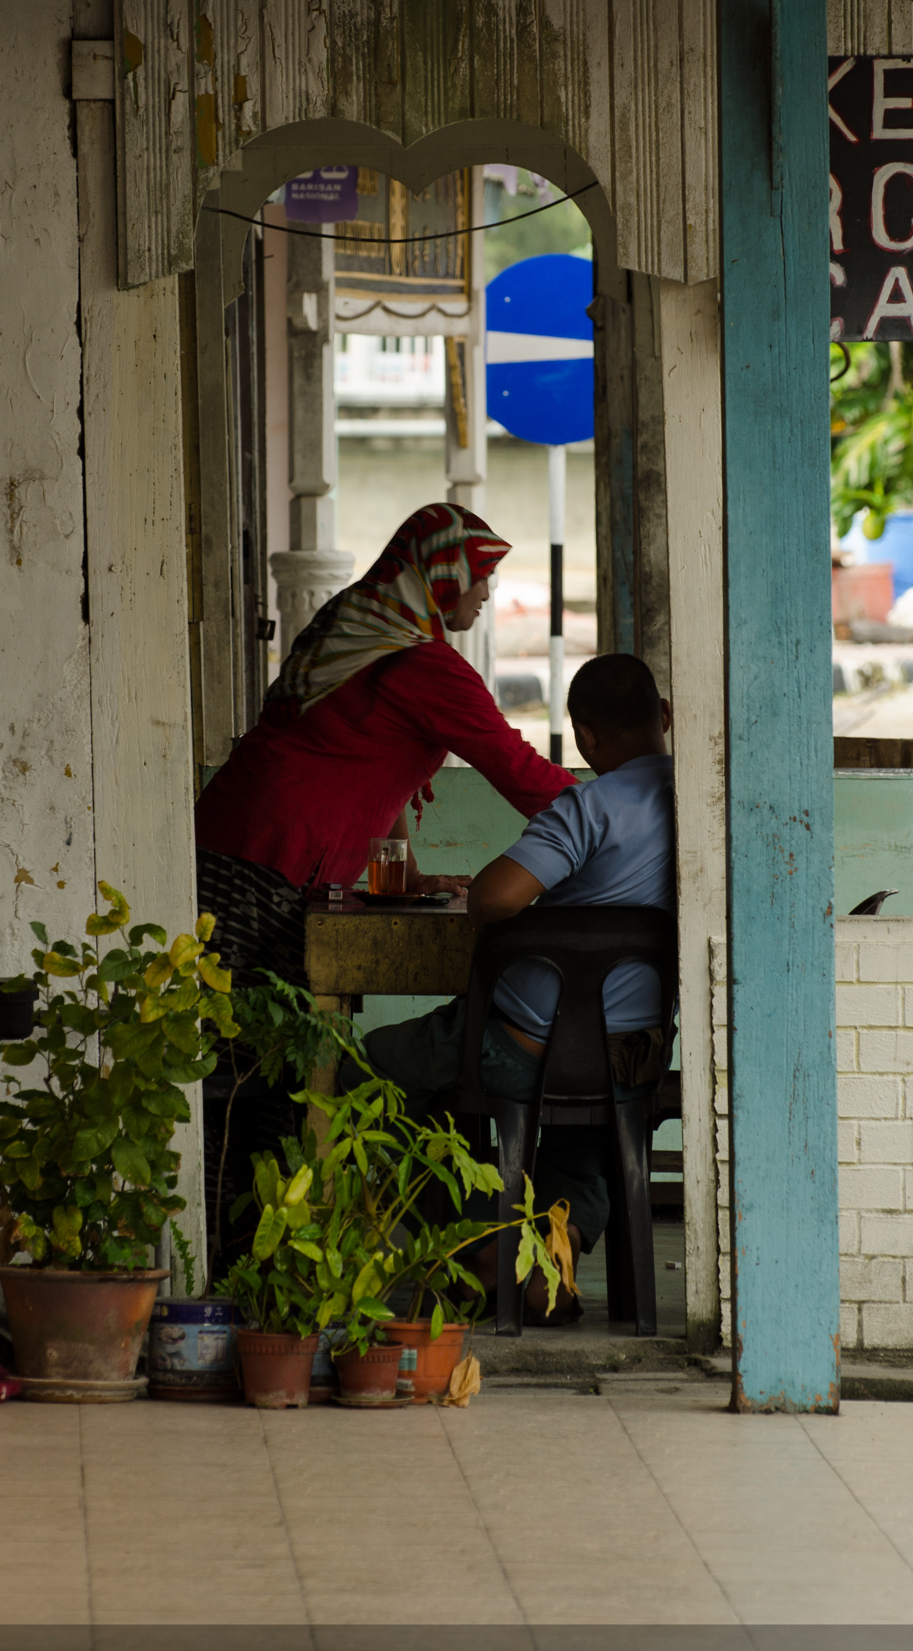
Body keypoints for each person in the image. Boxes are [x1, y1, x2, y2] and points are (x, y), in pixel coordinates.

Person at [351, 651, 674, 1318]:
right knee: (585, 1151)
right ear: (665, 718)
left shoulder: (591, 807)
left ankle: (481, 1250)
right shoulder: (706, 805)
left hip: (522, 1045)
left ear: (583, 736)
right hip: (631, 1058)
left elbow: (494, 898)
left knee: (368, 1070)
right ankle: (552, 1250)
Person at [195, 501, 575, 990]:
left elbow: (374, 768)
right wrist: (617, 815)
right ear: (441, 574)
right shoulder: (420, 663)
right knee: (250, 1045)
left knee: (211, 1036)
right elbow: (519, 771)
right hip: (267, 863)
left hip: (221, 839)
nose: (485, 593)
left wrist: (404, 877)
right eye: (478, 576)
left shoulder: (352, 623)